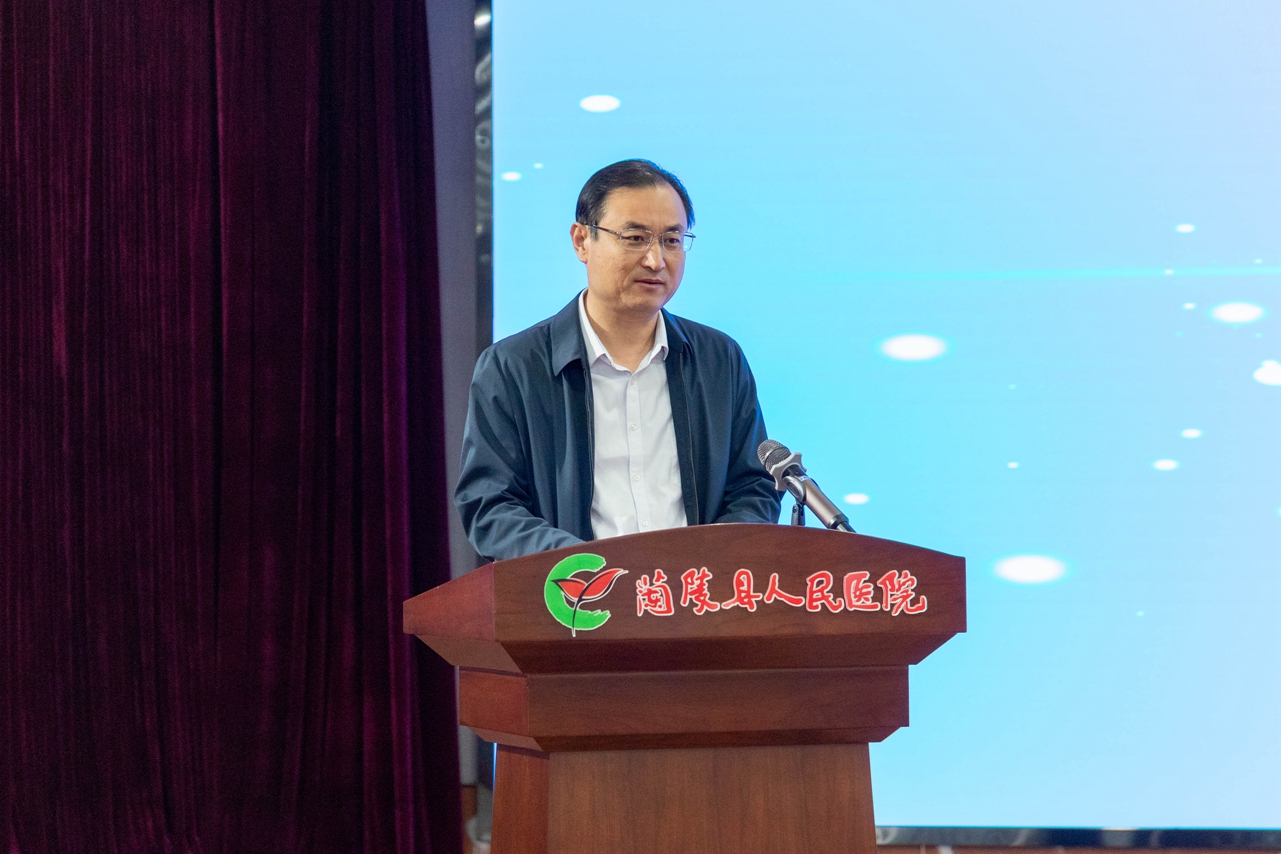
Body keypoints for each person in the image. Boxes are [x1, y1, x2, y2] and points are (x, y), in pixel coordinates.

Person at [455, 159, 781, 562]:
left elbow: (753, 486)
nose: (656, 260)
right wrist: (588, 569)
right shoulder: (513, 368)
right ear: (581, 241)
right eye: (635, 238)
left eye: (672, 240)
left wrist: (708, 559)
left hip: (695, 592)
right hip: (577, 593)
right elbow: (490, 506)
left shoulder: (719, 360)